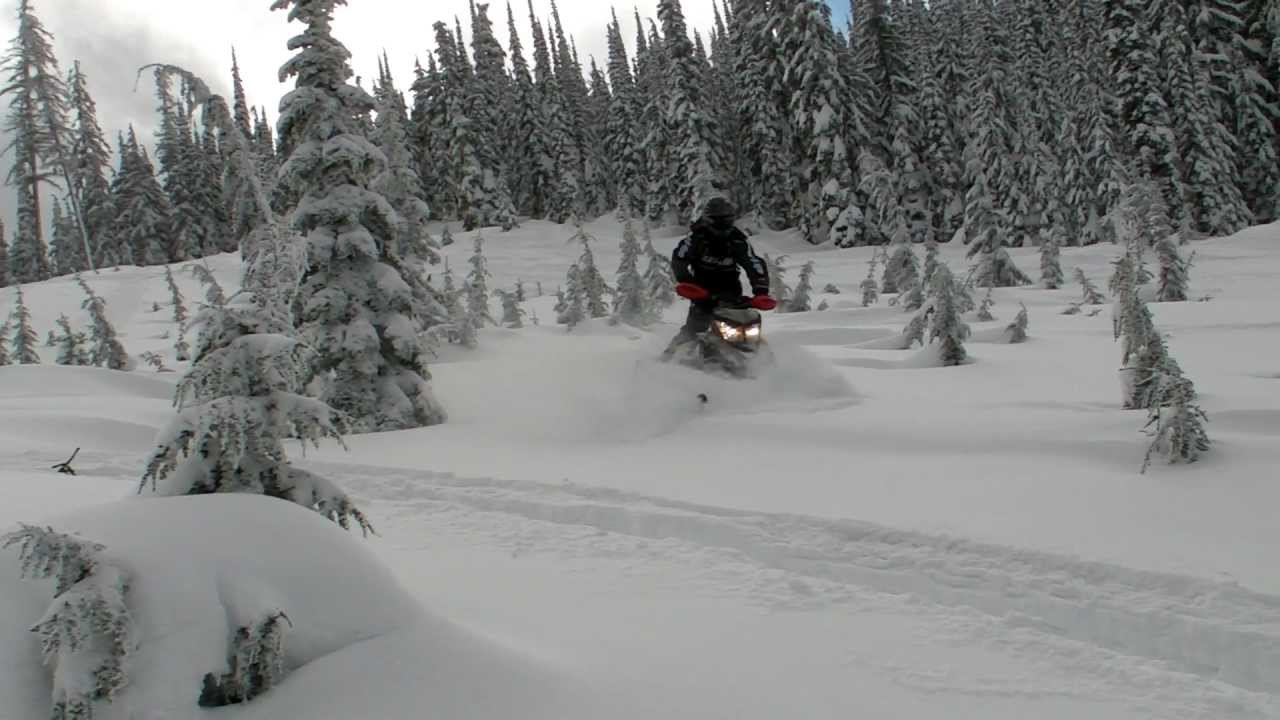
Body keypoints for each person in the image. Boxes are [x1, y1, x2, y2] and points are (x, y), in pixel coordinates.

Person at [662, 197, 774, 358]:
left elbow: (753, 263)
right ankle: (666, 360)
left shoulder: (738, 240)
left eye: (726, 219)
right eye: (718, 220)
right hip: (702, 294)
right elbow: (679, 259)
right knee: (692, 331)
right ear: (708, 220)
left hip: (732, 295)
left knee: (751, 331)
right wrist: (687, 282)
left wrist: (761, 290)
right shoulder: (696, 238)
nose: (722, 224)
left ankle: (766, 366)